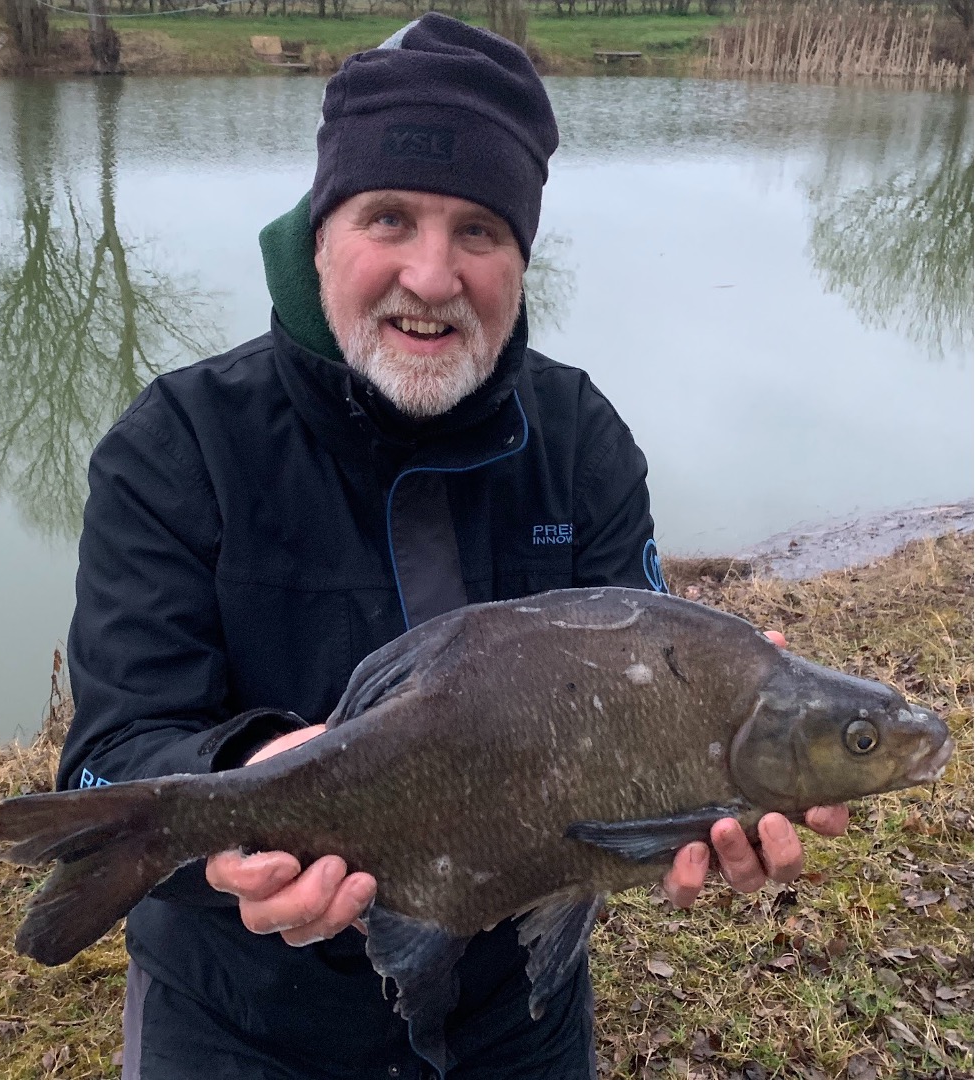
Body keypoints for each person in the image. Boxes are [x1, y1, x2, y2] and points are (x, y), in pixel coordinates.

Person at [57, 14, 847, 1080]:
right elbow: (112, 751)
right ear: (319, 230)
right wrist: (240, 790)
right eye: (390, 217)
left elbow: (642, 706)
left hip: (512, 1015)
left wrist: (701, 795)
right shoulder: (175, 445)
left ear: (520, 256)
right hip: (238, 1020)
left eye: (478, 230)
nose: (431, 277)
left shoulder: (582, 441)